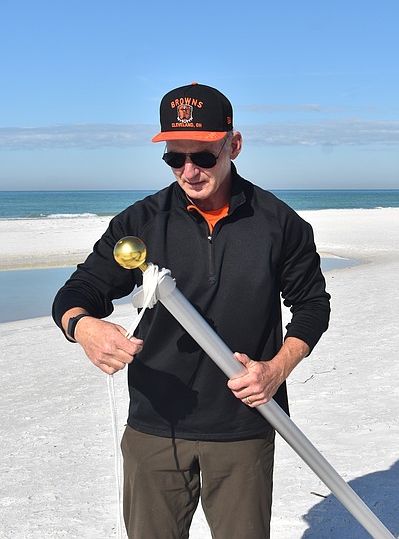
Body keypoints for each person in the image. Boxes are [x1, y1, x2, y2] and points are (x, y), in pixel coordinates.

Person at [52, 82, 331, 538]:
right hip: (155, 425)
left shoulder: (280, 224)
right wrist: (83, 328)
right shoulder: (141, 222)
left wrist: (276, 369)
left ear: (233, 145)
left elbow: (312, 305)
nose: (189, 171)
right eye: (174, 158)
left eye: (202, 156)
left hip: (244, 424)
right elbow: (78, 291)